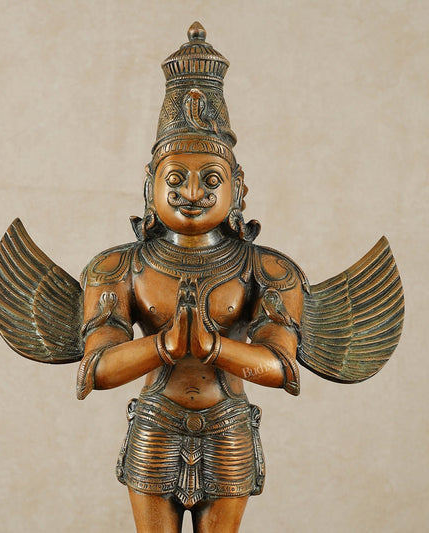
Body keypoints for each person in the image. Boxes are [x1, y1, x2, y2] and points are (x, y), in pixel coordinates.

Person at [76, 22, 303, 533]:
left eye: (211, 179)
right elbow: (96, 369)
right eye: (175, 178)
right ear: (150, 186)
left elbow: (283, 368)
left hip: (228, 426)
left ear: (238, 188)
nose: (193, 192)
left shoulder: (264, 269)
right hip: (156, 423)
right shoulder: (119, 268)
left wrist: (215, 348)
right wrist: (163, 346)